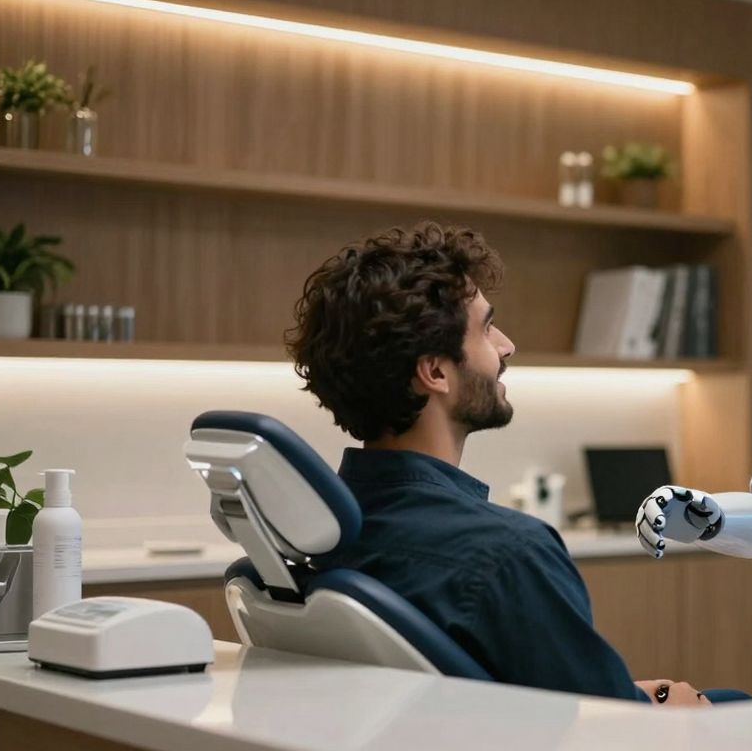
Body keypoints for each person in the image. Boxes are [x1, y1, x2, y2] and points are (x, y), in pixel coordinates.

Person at [285, 220, 706, 706]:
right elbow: (605, 724)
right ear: (436, 371)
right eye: (486, 328)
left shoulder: (324, 542)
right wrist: (671, 707)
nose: (506, 346)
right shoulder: (508, 554)